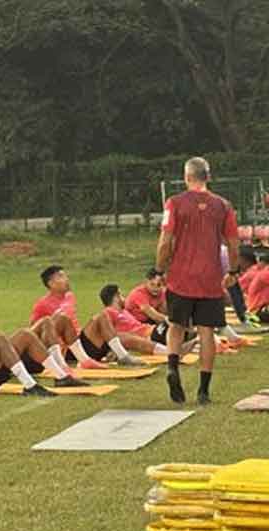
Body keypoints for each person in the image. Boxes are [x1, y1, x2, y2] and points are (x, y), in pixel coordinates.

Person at [156, 156, 240, 404]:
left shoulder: (174, 203)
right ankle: (203, 390)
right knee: (206, 332)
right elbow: (233, 243)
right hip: (210, 279)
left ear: (187, 177)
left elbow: (165, 240)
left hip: (180, 276)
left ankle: (173, 367)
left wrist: (160, 268)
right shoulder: (223, 206)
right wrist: (233, 271)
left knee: (176, 325)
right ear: (209, 176)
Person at [31, 265, 147, 368]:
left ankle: (160, 349)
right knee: (101, 317)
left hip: (80, 340)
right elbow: (35, 331)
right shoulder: (42, 304)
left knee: (127, 337)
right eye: (61, 277)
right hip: (68, 350)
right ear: (51, 283)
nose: (67, 279)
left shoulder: (70, 296)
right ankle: (122, 356)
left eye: (66, 276)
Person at [0, 298, 89, 387]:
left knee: (48, 321)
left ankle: (63, 368)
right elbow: (0, 348)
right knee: (25, 333)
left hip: (13, 358)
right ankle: (62, 374)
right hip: (12, 363)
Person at [99, 284, 197, 355]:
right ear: (116, 297)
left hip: (152, 330)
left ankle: (195, 338)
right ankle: (192, 341)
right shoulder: (108, 312)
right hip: (149, 336)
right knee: (176, 322)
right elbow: (108, 333)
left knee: (180, 319)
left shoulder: (124, 311)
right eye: (121, 295)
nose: (124, 298)